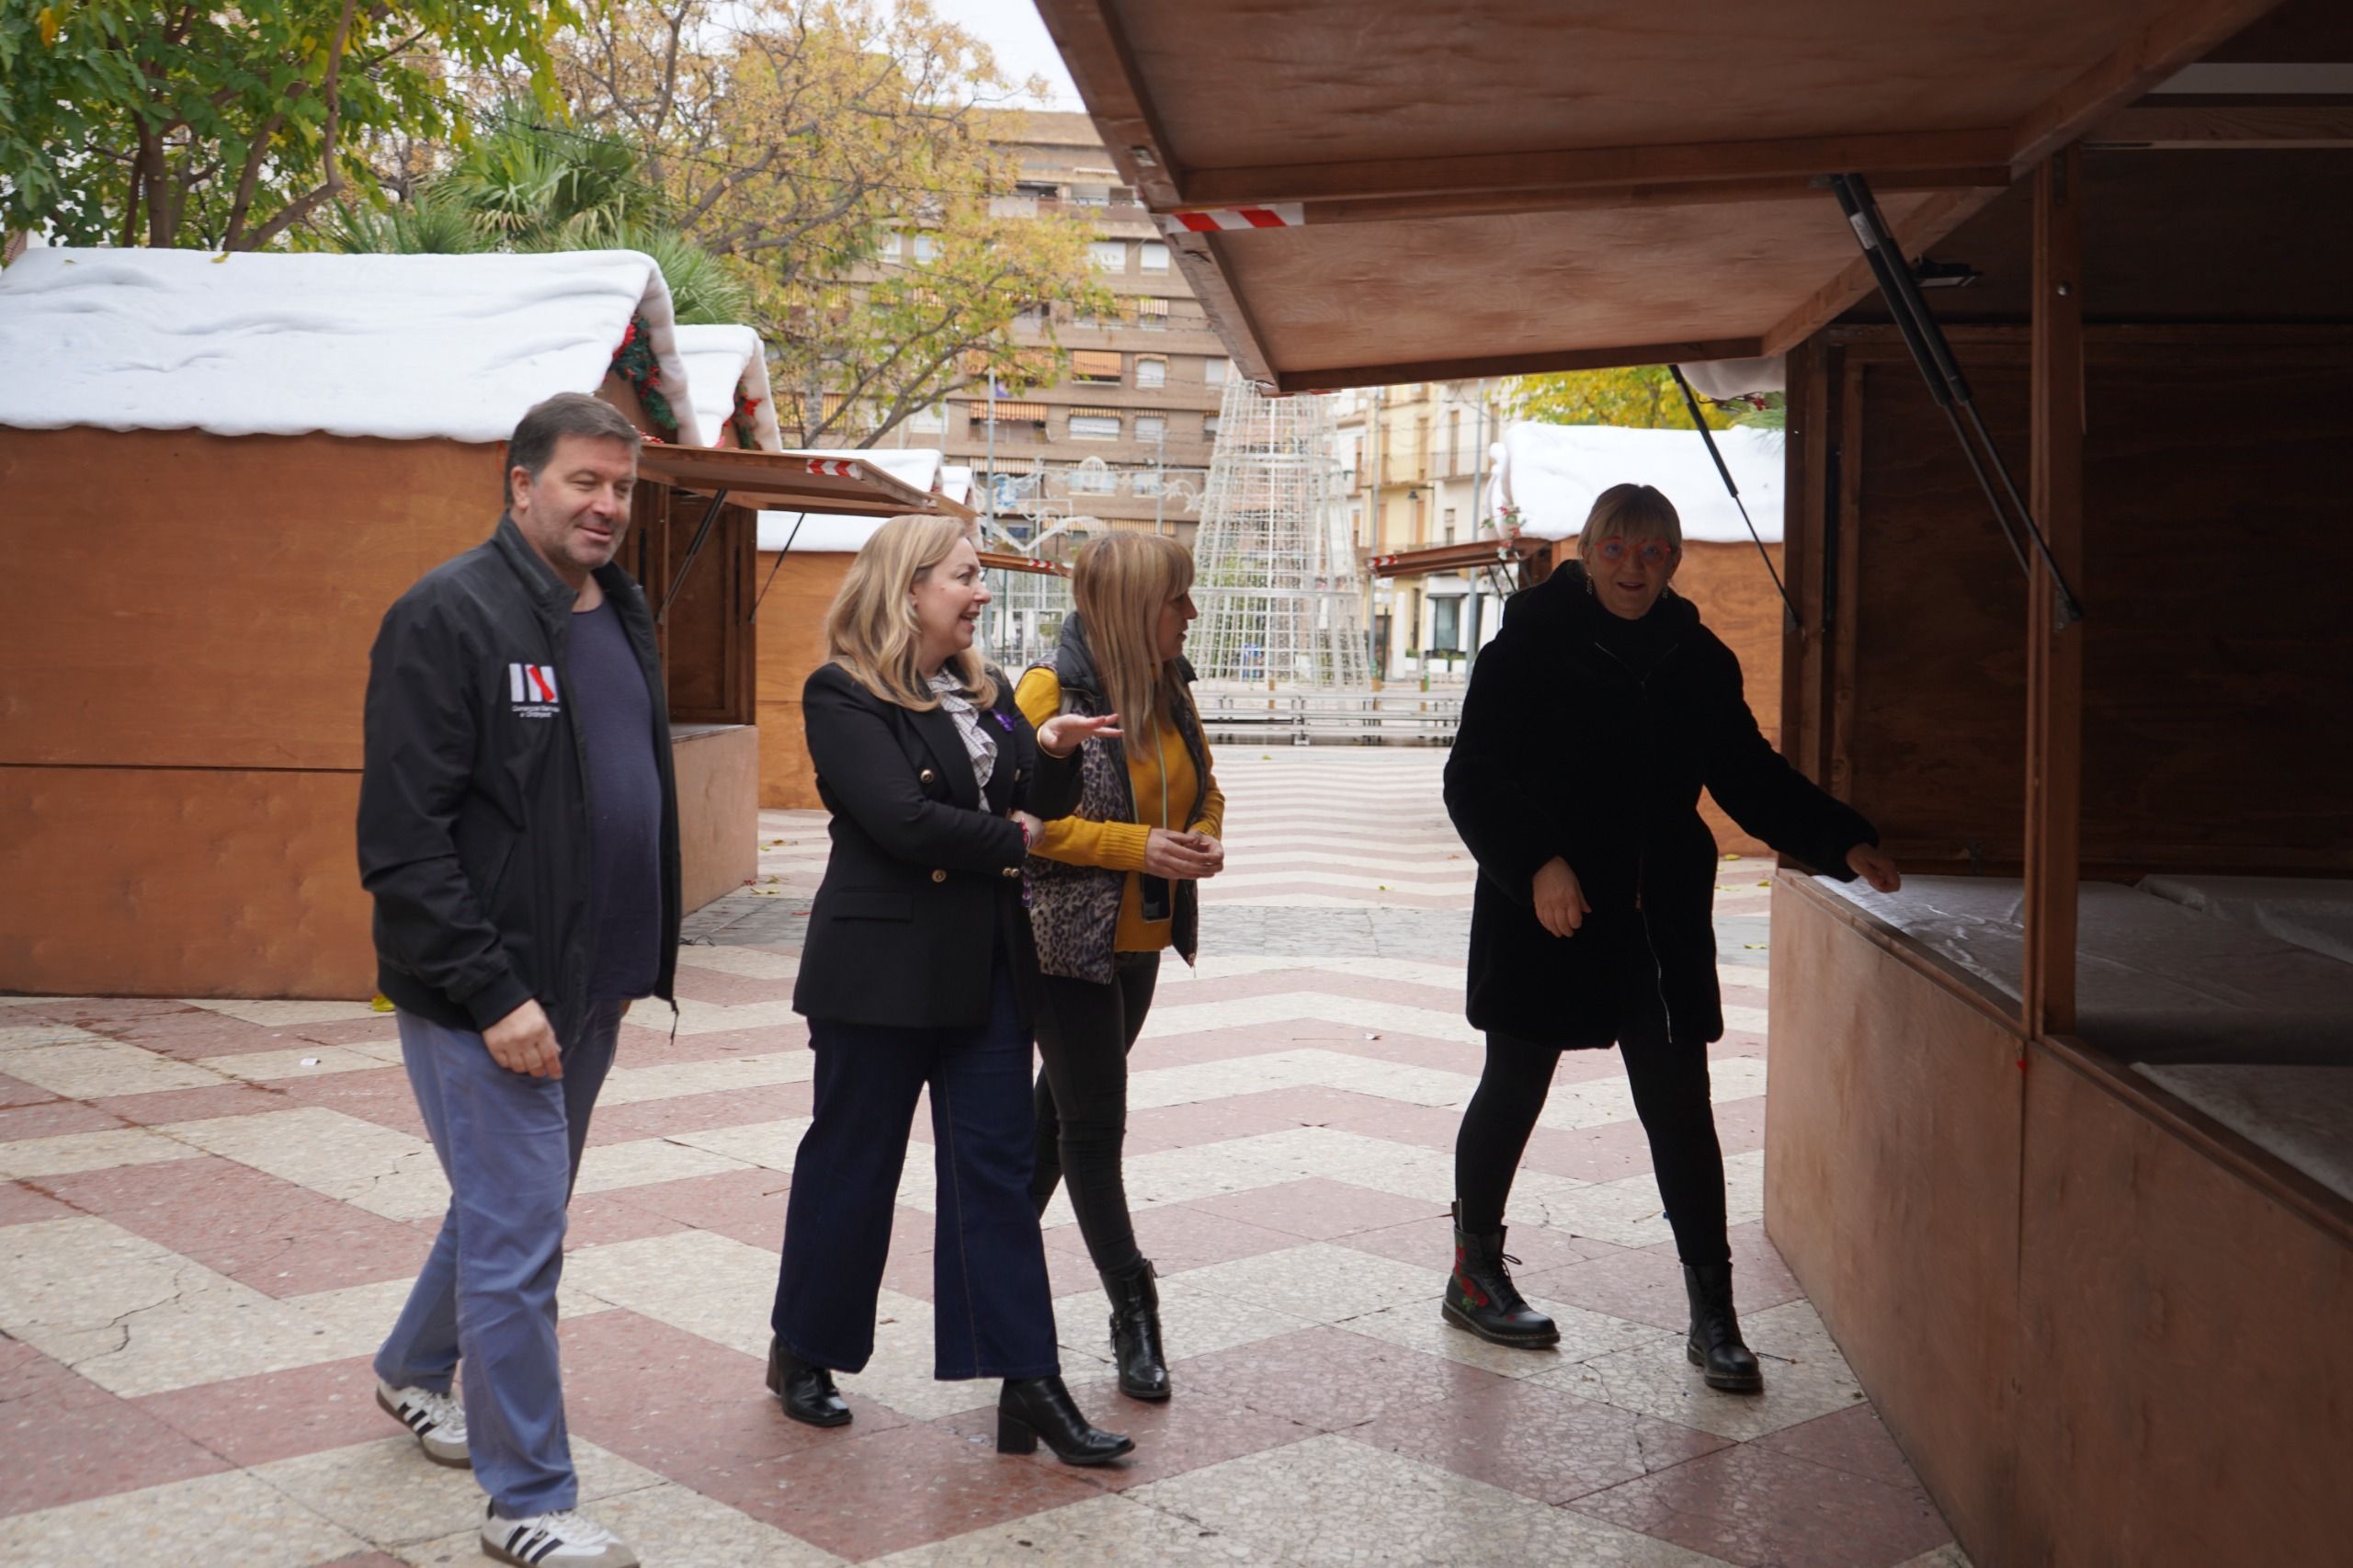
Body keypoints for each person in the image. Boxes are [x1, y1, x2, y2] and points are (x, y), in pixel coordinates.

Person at [1441, 483, 1901, 1392]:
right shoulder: (1527, 645)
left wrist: (1841, 838)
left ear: (1674, 561)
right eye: (1617, 548)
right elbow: (1473, 775)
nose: (1634, 567)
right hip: (1548, 912)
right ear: (1586, 553)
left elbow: (1748, 774)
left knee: (1680, 1106)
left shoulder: (1697, 657)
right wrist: (1537, 863)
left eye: (1653, 551)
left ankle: (1713, 1315)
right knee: (1515, 1083)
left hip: (1657, 921)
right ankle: (1474, 1273)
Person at [358, 392, 676, 1568]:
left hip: (591, 985)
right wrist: (496, 995)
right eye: (584, 481)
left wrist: (626, 960)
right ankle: (525, 1499)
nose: (607, 505)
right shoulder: (447, 613)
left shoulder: (621, 608)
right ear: (521, 484)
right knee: (520, 1240)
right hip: (492, 998)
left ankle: (410, 1364)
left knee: (506, 1212)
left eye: (623, 487)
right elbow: (403, 842)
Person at [767, 513, 1132, 1464]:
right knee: (855, 1164)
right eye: (964, 576)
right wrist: (1013, 837)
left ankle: (1029, 1381)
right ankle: (803, 1346)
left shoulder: (988, 689)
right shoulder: (843, 691)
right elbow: (902, 820)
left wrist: (1053, 751)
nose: (981, 592)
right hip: (877, 973)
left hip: (987, 970)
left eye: (978, 576)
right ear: (908, 588)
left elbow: (1036, 799)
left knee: (996, 1177)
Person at [1016, 532, 1224, 1402]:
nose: (1191, 613)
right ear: (1137, 608)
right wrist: (1138, 847)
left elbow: (1205, 785)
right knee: (1094, 1128)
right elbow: (1024, 820)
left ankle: (984, 1270)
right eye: (1177, 598)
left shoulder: (1170, 685)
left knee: (1053, 1126)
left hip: (1139, 942)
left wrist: (1202, 836)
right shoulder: (1049, 691)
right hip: (1065, 946)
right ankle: (1135, 1311)